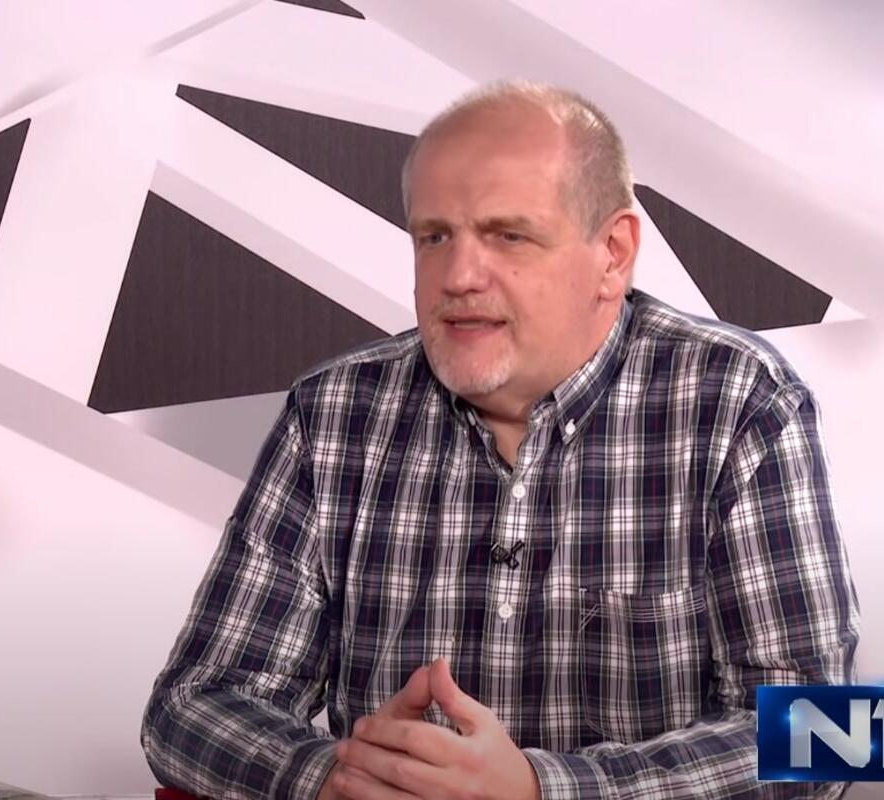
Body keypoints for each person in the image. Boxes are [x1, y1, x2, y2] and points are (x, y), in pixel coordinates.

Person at [140, 80, 860, 799]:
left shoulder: (740, 401)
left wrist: (544, 791)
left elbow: (828, 736)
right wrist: (335, 777)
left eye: (508, 235)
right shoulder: (332, 413)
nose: (457, 277)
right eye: (434, 237)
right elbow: (191, 704)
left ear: (612, 253)